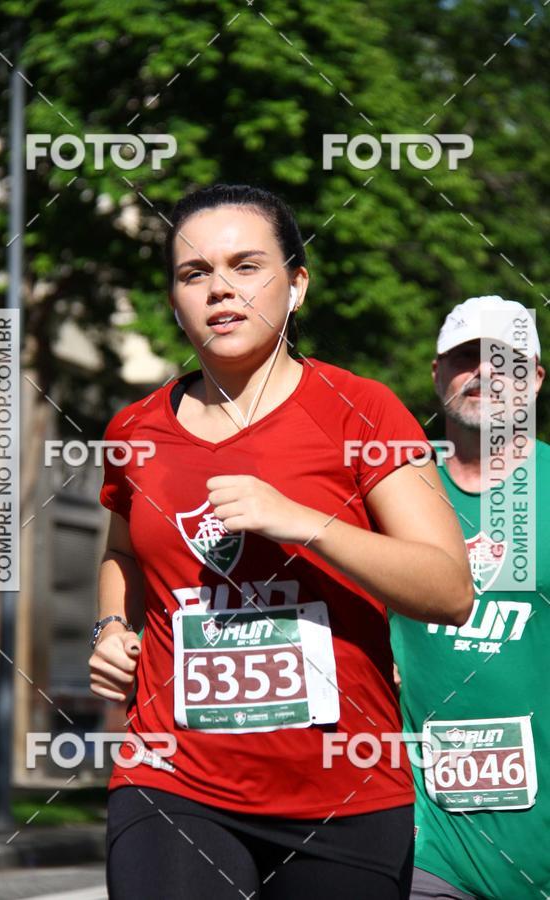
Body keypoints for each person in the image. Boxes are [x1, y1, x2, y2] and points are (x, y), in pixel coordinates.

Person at [89, 183, 473, 900]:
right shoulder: (134, 430)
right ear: (174, 301)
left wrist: (307, 523)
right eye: (194, 273)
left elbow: (449, 590)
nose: (220, 290)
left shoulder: (363, 411)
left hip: (343, 791)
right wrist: (112, 626)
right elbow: (122, 554)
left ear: (296, 286)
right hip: (171, 776)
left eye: (246, 266)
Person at [390, 295, 550, 899]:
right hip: (431, 841)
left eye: (504, 360)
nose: (483, 372)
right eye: (465, 358)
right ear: (438, 375)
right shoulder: (391, 492)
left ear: (536, 379)